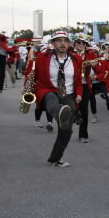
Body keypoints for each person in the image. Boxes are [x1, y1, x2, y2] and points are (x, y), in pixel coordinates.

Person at [32, 30, 83, 167]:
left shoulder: (76, 59)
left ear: (69, 44)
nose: (62, 44)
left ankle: (56, 157)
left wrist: (79, 94)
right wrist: (27, 88)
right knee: (52, 101)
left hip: (68, 94)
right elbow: (34, 74)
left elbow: (78, 80)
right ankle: (60, 114)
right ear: (53, 43)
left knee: (66, 129)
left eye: (65, 41)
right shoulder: (42, 57)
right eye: (59, 41)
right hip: (48, 89)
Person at [72, 35, 98, 143]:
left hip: (84, 85)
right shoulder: (70, 54)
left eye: (83, 43)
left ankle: (83, 135)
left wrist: (95, 66)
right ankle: (74, 119)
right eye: (79, 42)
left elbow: (100, 69)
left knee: (84, 110)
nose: (81, 44)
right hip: (71, 85)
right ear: (75, 43)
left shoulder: (90, 54)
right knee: (71, 109)